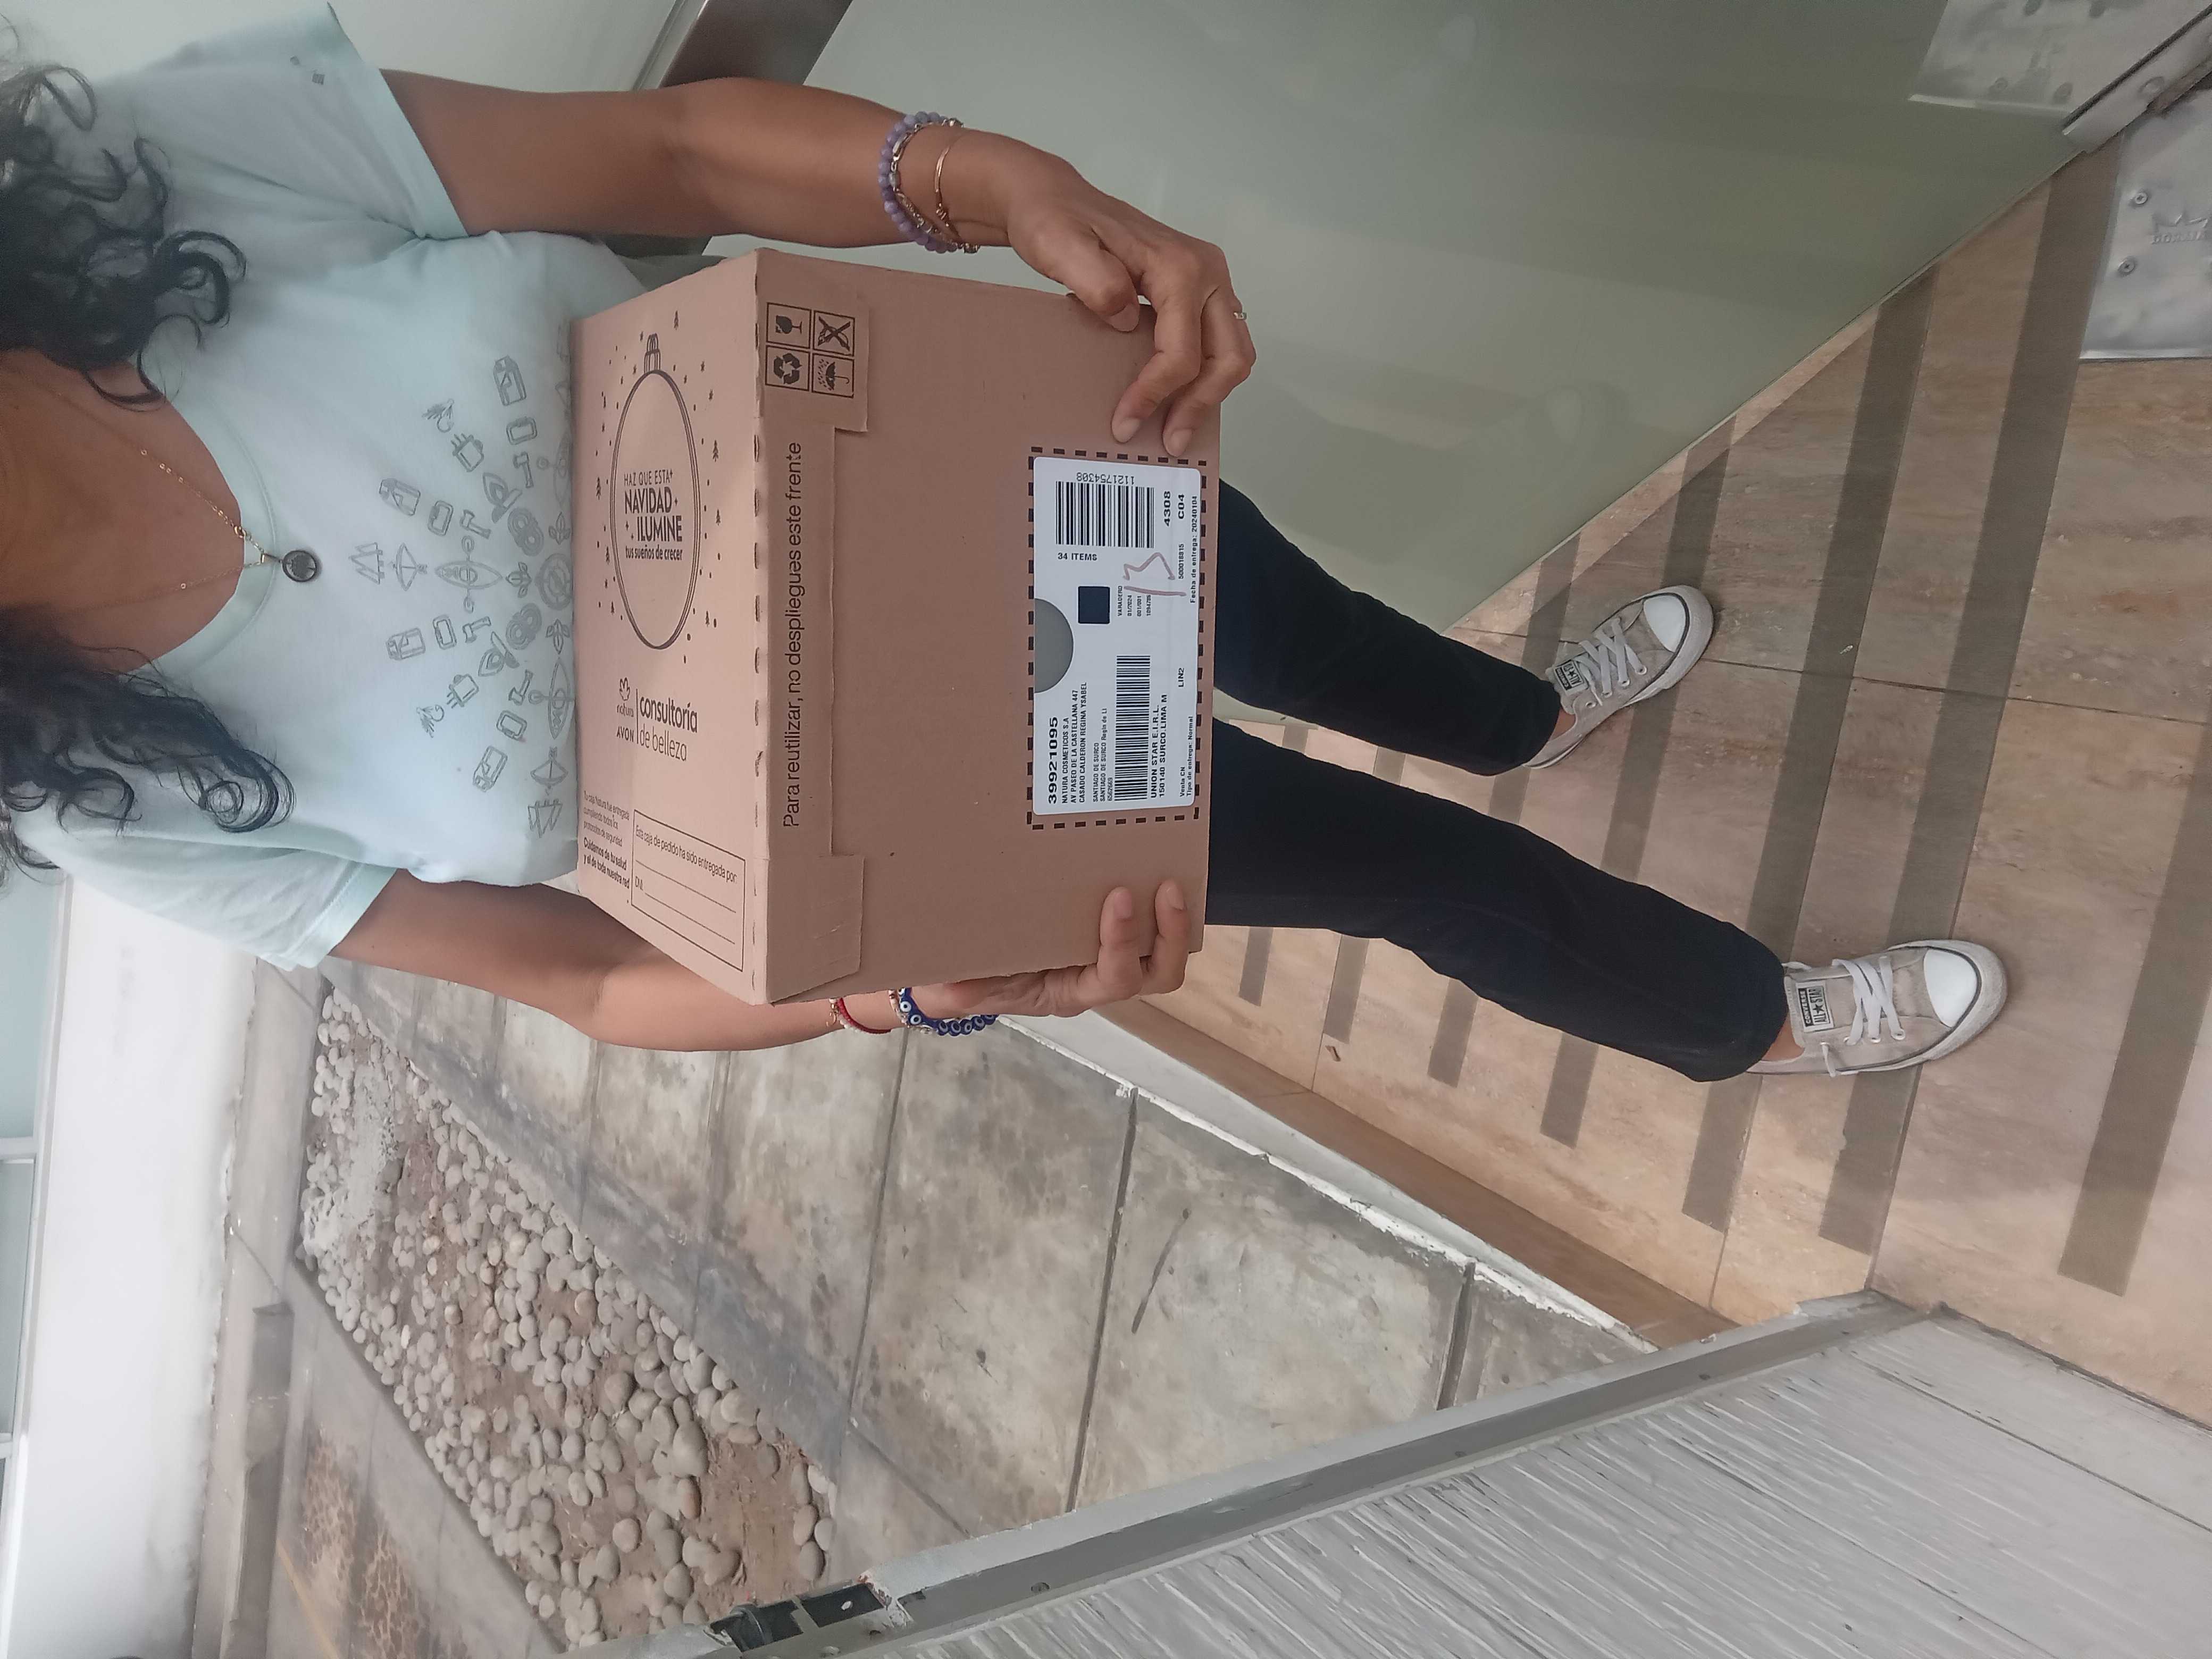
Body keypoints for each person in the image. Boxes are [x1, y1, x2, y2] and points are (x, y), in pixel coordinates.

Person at [0, 12, 2003, 1081]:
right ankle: (1752, 1018)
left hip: (998, 490)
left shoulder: (141, 171)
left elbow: (671, 151)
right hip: (940, 808)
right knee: (1408, 875)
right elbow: (598, 985)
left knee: (1299, 627)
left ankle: (1527, 715)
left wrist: (975, 180)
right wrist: (909, 993)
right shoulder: (114, 808)